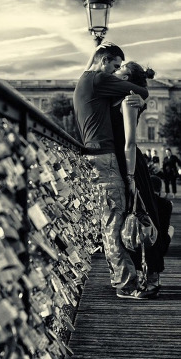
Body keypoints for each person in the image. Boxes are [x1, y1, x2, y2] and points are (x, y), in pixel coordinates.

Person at [73, 43, 154, 299]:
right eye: (115, 66)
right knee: (114, 221)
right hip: (105, 157)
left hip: (93, 157)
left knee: (109, 218)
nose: (115, 71)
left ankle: (122, 278)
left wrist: (94, 53)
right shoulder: (99, 79)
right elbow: (141, 91)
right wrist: (140, 96)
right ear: (105, 60)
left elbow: (92, 66)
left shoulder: (85, 79)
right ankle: (126, 284)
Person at [112, 62, 165, 294]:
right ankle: (140, 274)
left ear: (128, 79)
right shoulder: (123, 96)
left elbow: (130, 141)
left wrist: (131, 175)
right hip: (125, 161)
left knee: (143, 217)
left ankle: (152, 276)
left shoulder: (129, 99)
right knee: (133, 218)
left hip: (131, 162)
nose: (114, 76)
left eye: (119, 73)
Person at [150, 175, 174, 256]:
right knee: (171, 228)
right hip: (161, 244)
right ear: (160, 189)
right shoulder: (167, 204)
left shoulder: (142, 201)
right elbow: (165, 225)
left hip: (145, 240)